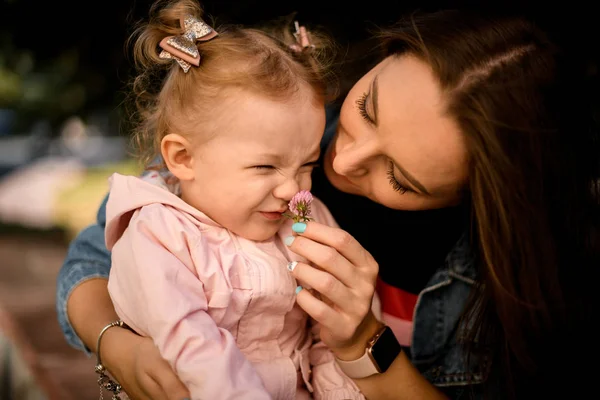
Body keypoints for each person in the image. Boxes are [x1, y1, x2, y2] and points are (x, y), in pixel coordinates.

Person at [56, 6, 599, 400]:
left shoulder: (517, 288)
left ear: (476, 199)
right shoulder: (273, 121)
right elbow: (93, 261)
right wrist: (118, 349)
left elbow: (317, 350)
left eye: (400, 178)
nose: (339, 163)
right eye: (368, 107)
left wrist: (362, 340)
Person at [66, 0, 366, 399]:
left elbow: (327, 337)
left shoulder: (305, 217)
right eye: (264, 167)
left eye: (307, 164)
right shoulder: (159, 234)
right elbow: (196, 349)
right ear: (183, 158)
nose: (293, 189)